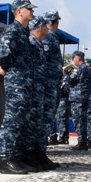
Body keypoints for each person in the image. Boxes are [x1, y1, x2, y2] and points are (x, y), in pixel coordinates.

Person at [0, 0, 37, 174]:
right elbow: (4, 54)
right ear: (20, 11)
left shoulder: (24, 32)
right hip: (16, 83)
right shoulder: (13, 30)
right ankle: (7, 159)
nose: (32, 11)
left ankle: (17, 157)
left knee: (22, 121)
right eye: (29, 9)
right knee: (12, 120)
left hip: (25, 83)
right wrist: (6, 68)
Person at [25, 16, 58, 170]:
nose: (47, 28)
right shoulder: (33, 42)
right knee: (35, 122)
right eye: (44, 25)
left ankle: (39, 153)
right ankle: (31, 155)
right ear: (39, 27)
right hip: (37, 87)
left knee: (43, 122)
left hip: (45, 86)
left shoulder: (41, 42)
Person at [40, 11, 64, 148]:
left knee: (48, 115)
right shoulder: (48, 37)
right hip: (48, 83)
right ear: (56, 22)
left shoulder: (52, 37)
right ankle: (41, 147)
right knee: (46, 115)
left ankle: (42, 147)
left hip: (52, 82)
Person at [65, 50, 91, 151]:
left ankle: (82, 142)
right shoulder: (86, 69)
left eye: (73, 58)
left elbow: (71, 80)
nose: (72, 61)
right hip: (83, 97)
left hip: (78, 97)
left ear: (77, 58)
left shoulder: (80, 68)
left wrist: (64, 74)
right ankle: (83, 141)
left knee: (78, 120)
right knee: (82, 120)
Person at [55, 64, 72, 145]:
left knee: (62, 119)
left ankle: (63, 137)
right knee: (63, 120)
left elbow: (65, 89)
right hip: (63, 101)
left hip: (63, 101)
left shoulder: (64, 77)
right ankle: (65, 137)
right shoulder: (64, 77)